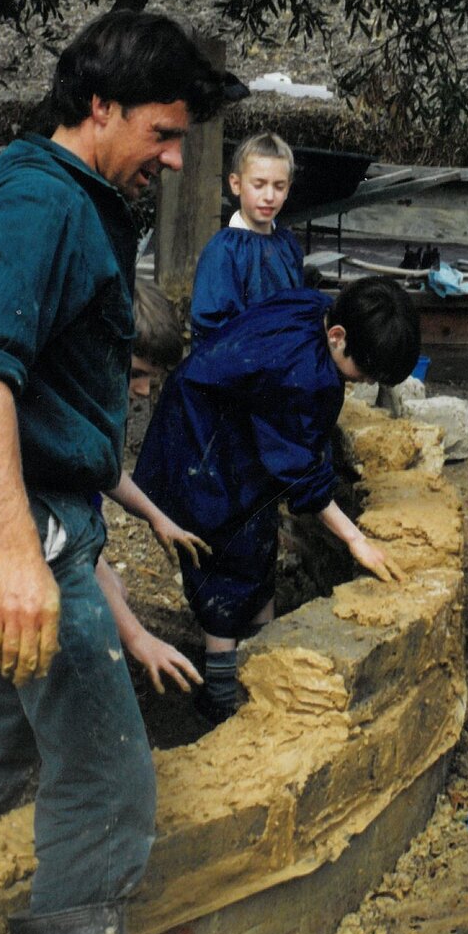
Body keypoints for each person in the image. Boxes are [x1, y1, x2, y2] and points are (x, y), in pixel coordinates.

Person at [0, 9, 226, 934]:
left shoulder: (73, 198)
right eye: (164, 132)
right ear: (100, 107)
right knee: (105, 781)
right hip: (15, 522)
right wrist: (16, 553)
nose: (176, 158)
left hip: (29, 517)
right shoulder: (40, 204)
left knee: (10, 714)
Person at [132, 276, 420, 722]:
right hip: (204, 451)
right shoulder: (305, 377)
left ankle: (263, 652)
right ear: (338, 337)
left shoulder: (312, 307)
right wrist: (354, 539)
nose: (363, 384)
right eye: (364, 371)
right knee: (221, 562)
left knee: (255, 544)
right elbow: (299, 469)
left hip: (219, 427)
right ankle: (222, 695)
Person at [0, 281, 191, 716]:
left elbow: (106, 471)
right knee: (79, 616)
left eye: (152, 378)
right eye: (137, 374)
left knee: (112, 593)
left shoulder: (90, 401)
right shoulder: (59, 411)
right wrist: (137, 637)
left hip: (69, 527)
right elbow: (77, 564)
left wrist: (156, 517)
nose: (144, 391)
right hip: (35, 534)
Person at [190, 130, 304, 341]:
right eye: (259, 185)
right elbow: (214, 325)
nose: (269, 197)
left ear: (288, 188)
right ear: (236, 184)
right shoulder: (225, 250)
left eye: (279, 186)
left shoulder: (287, 244)